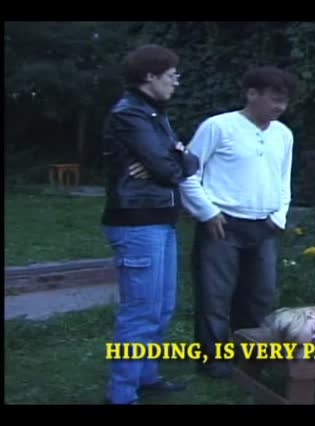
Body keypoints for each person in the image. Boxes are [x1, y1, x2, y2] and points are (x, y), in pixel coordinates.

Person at [179, 66, 299, 378]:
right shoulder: (218, 127)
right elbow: (188, 172)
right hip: (222, 224)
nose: (279, 107)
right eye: (274, 99)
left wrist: (279, 217)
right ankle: (214, 360)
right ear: (251, 94)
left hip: (264, 225)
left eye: (284, 101)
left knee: (260, 295)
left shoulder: (283, 134)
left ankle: (252, 357)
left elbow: (283, 180)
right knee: (215, 295)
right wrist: (206, 211)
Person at [101, 44, 200, 404]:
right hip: (136, 222)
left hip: (160, 219)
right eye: (171, 75)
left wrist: (176, 159)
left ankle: (146, 376)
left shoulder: (154, 114)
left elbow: (185, 162)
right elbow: (167, 168)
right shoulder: (130, 114)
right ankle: (122, 394)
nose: (177, 81)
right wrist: (174, 159)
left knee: (162, 307)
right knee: (140, 310)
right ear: (149, 76)